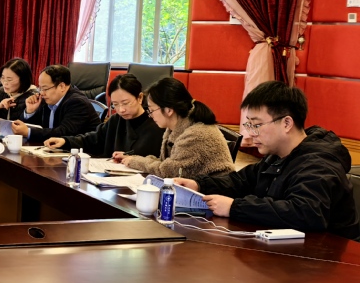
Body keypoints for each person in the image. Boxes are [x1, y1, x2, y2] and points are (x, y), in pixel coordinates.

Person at [174, 82, 359, 239]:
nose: (251, 133)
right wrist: (199, 185)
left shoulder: (319, 164)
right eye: (249, 124)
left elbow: (304, 213)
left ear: (287, 123)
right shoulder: (277, 156)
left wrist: (235, 207)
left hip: (331, 258)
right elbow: (241, 181)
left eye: (257, 125)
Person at [116, 76, 232, 179]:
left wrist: (134, 161)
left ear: (169, 110)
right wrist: (131, 158)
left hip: (212, 193)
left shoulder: (196, 135)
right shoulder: (177, 127)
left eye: (152, 110)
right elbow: (166, 163)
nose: (150, 115)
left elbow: (168, 171)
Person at [44, 73, 161, 158]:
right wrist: (65, 141)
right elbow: (93, 139)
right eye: (115, 104)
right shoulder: (116, 120)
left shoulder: (157, 124)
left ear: (140, 98)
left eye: (125, 103)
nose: (121, 110)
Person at [11, 64, 100, 142]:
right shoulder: (46, 99)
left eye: (45, 88)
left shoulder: (77, 103)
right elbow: (37, 128)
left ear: (61, 86)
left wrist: (28, 132)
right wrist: (30, 111)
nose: (41, 92)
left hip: (83, 153)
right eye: (40, 88)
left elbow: (64, 133)